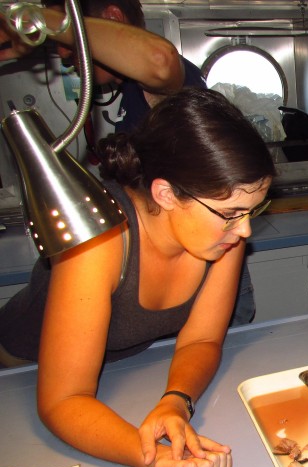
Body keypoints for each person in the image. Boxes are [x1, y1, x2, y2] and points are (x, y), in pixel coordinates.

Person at [0, 87, 277, 467]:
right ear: (166, 194)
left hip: (122, 367)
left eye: (251, 211)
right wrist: (155, 459)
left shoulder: (221, 238)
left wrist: (176, 401)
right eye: (230, 214)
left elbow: (202, 339)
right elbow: (63, 400)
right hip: (18, 371)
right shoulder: (102, 239)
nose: (244, 231)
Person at [0, 0, 257, 326]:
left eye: (71, 46)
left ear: (112, 18)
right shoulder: (129, 97)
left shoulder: (168, 90)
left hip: (202, 261)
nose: (67, 58)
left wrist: (41, 20)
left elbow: (159, 61)